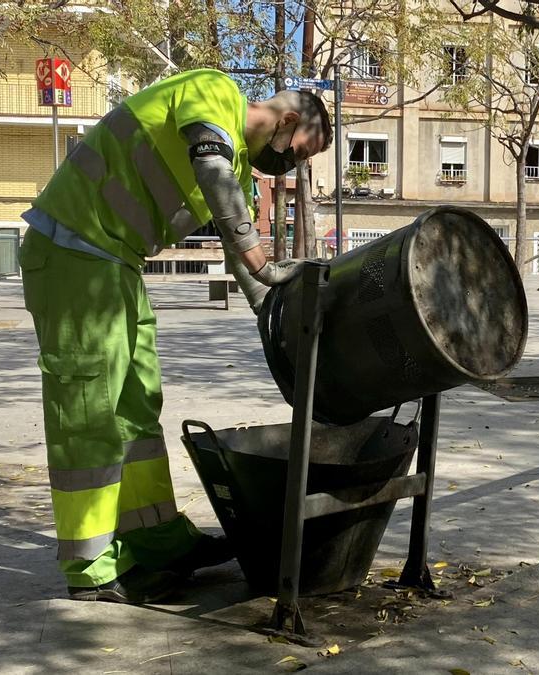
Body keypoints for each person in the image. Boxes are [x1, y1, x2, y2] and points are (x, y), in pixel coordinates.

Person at [18, 68, 332, 604]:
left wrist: (279, 327)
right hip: (73, 252)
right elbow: (212, 174)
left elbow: (244, 264)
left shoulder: (234, 166)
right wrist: (260, 254)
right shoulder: (215, 94)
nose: (291, 165)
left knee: (136, 405)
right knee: (90, 408)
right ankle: (89, 566)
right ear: (288, 120)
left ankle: (156, 539)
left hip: (116, 264)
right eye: (298, 152)